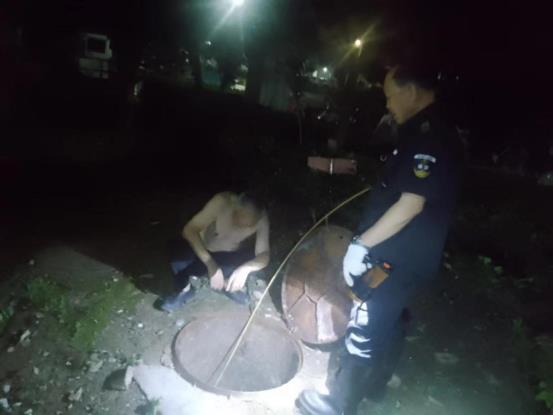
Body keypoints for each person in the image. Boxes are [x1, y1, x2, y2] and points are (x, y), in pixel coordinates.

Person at [297, 64, 465, 415]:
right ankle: (374, 389)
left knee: (365, 323)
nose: (387, 104)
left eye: (390, 95)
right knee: (390, 322)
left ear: (412, 92)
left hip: (391, 259)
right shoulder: (432, 132)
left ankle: (339, 404)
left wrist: (361, 245)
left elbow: (410, 204)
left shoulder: (428, 137)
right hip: (407, 258)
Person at [159, 192, 270, 311]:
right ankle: (185, 290)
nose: (240, 227)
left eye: (248, 225)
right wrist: (210, 264)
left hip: (227, 256)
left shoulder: (261, 218)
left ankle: (227, 285)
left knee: (249, 260)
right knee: (179, 256)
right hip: (201, 251)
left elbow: (264, 254)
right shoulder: (223, 202)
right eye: (239, 218)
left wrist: (245, 269)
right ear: (236, 207)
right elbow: (189, 230)